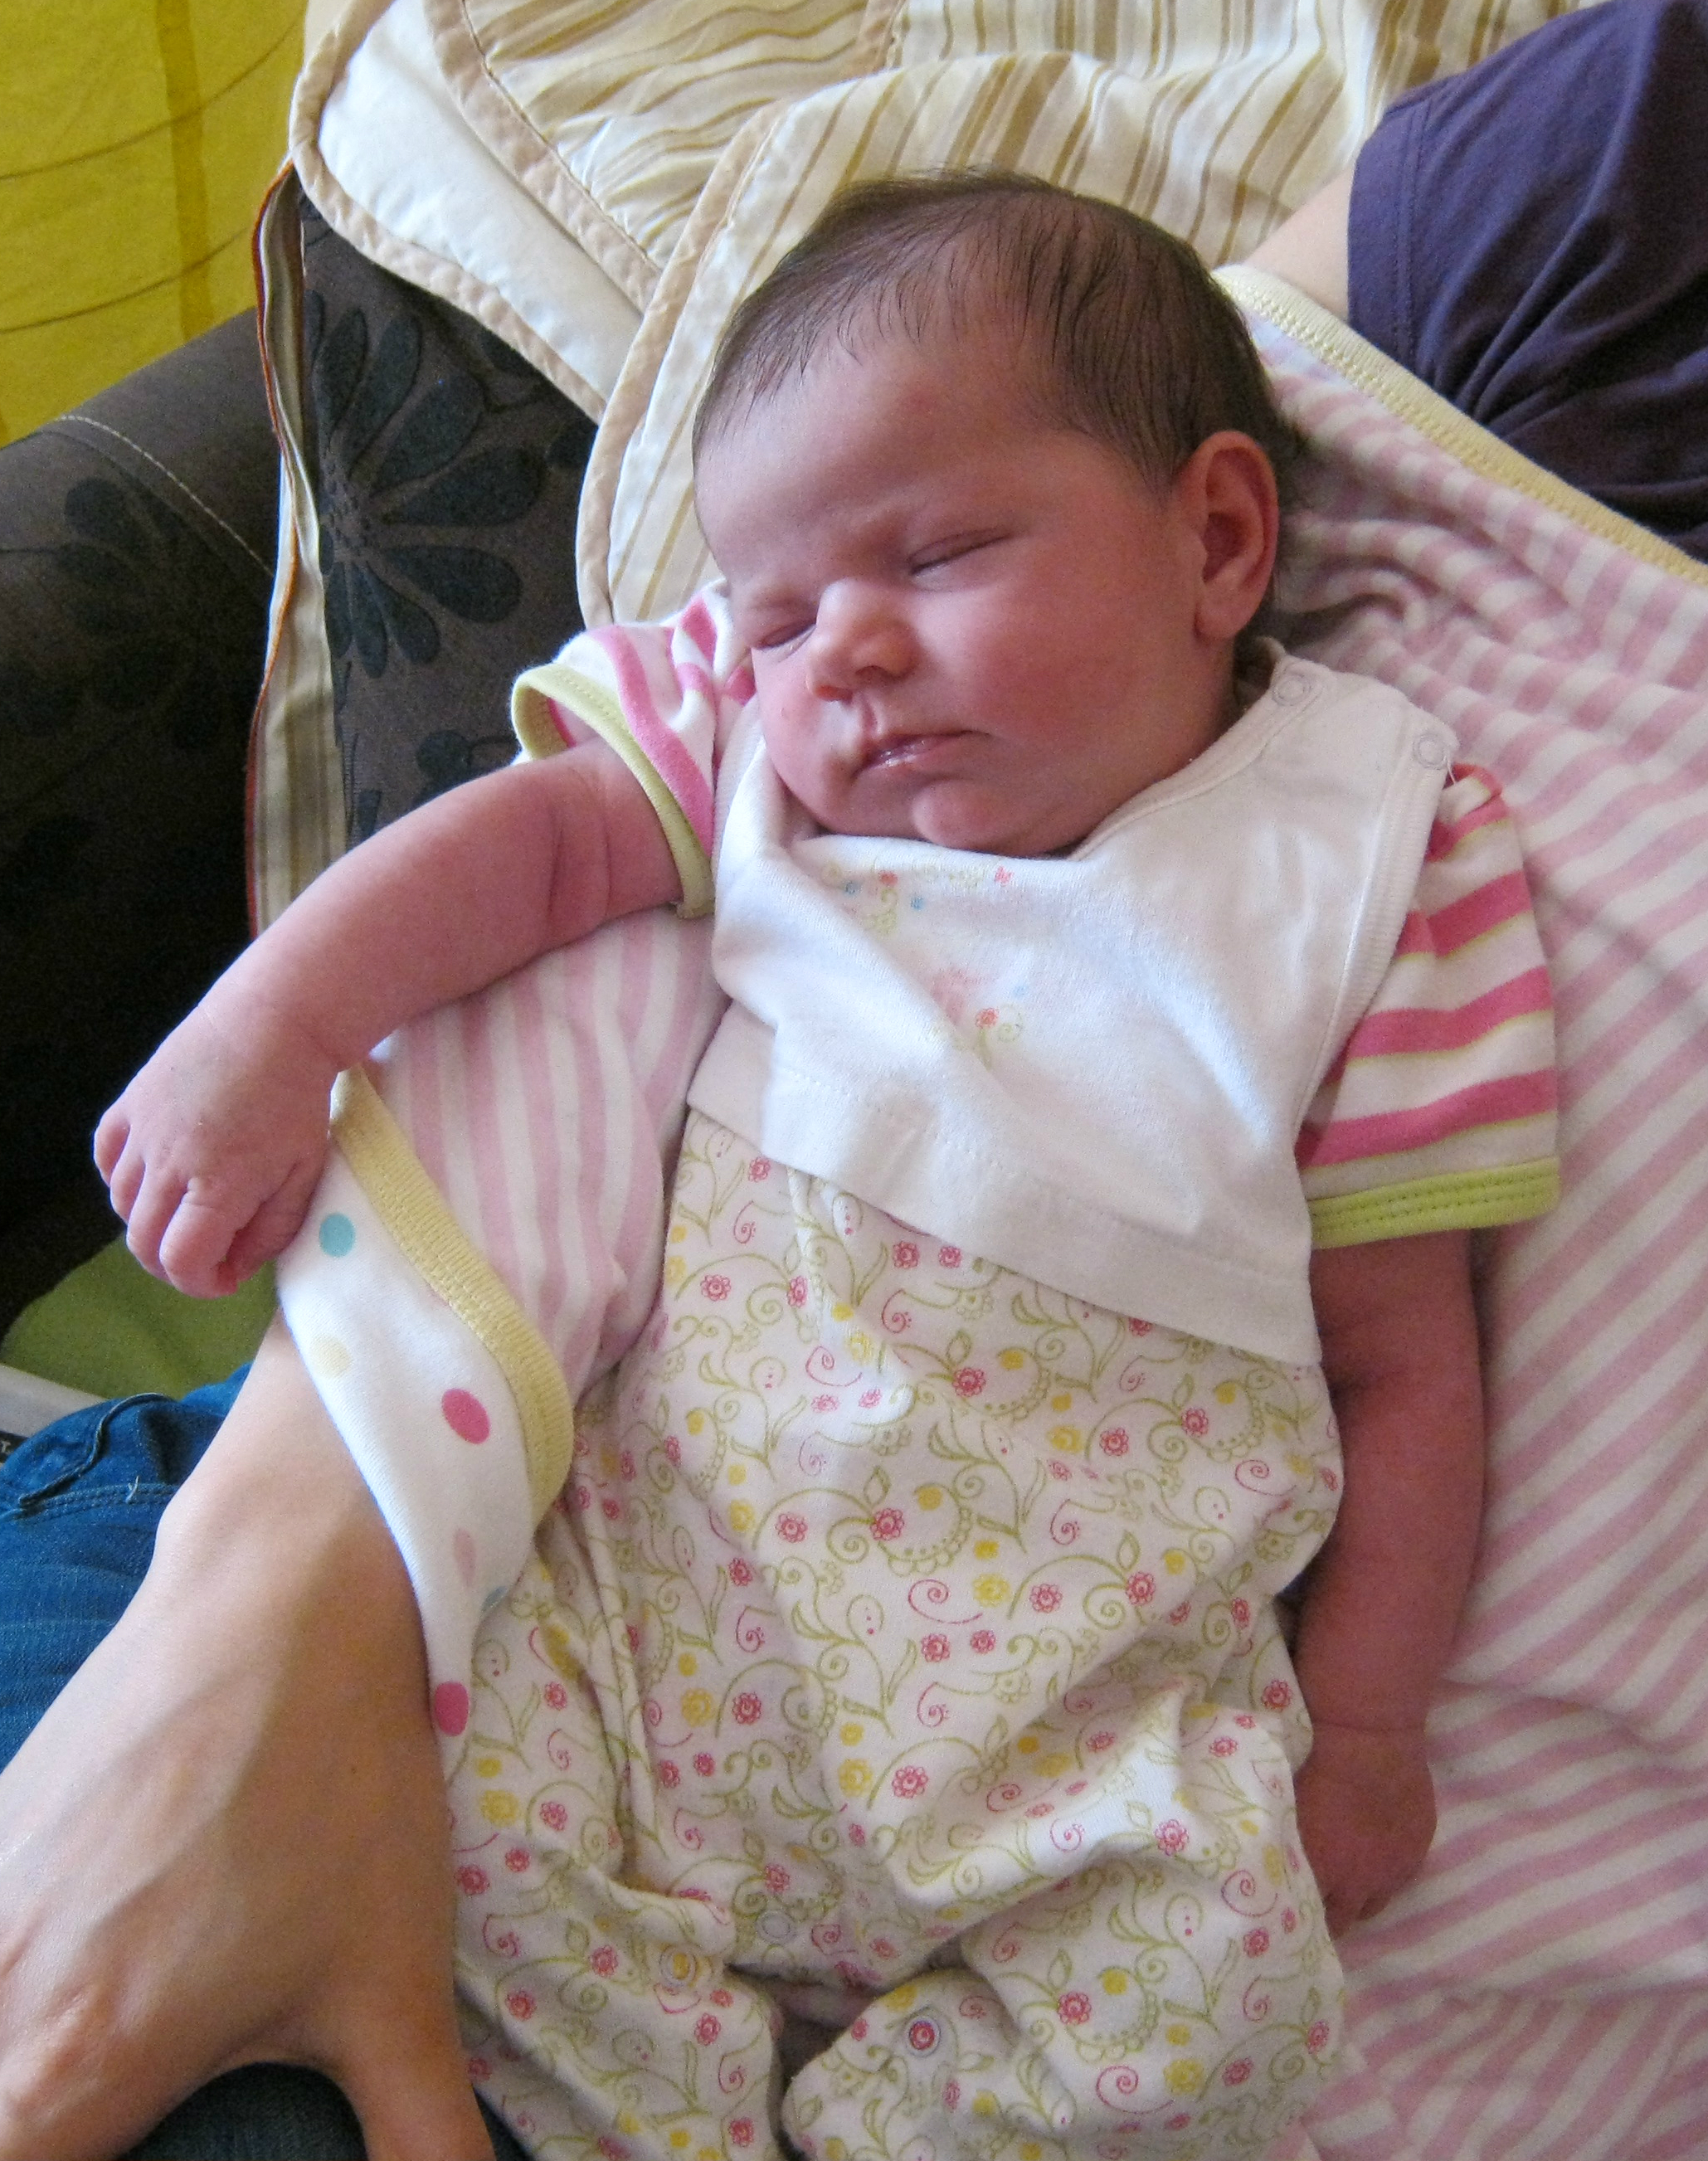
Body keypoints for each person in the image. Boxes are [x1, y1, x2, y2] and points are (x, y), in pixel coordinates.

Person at [83, 173, 1555, 2161]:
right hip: (652, 1611)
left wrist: (1368, 1725)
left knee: (1222, 2002)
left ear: (1215, 538)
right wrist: (265, 1033)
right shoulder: (754, 751)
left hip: (1079, 1723)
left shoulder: (1367, 841)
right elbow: (530, 844)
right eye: (775, 611)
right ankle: (652, 2113)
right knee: (444, 1813)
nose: (836, 650)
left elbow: (1405, 1355)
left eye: (934, 556)